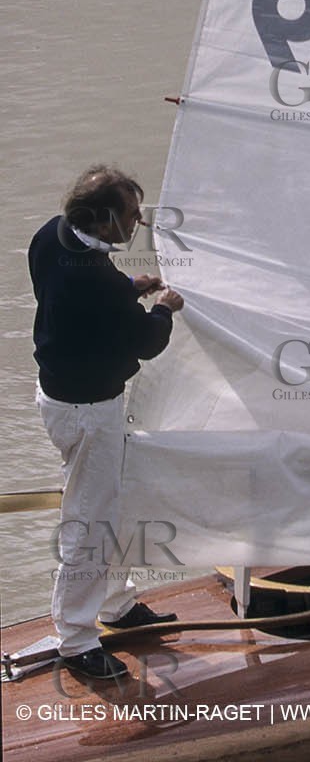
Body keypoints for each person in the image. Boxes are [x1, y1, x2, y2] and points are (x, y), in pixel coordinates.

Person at [29, 166, 185, 681]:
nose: (138, 222)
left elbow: (76, 304)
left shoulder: (49, 237)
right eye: (131, 215)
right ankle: (75, 640)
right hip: (90, 411)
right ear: (101, 220)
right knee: (90, 523)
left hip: (62, 397)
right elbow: (146, 342)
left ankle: (116, 606)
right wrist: (162, 307)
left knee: (110, 501)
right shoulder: (94, 281)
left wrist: (126, 290)